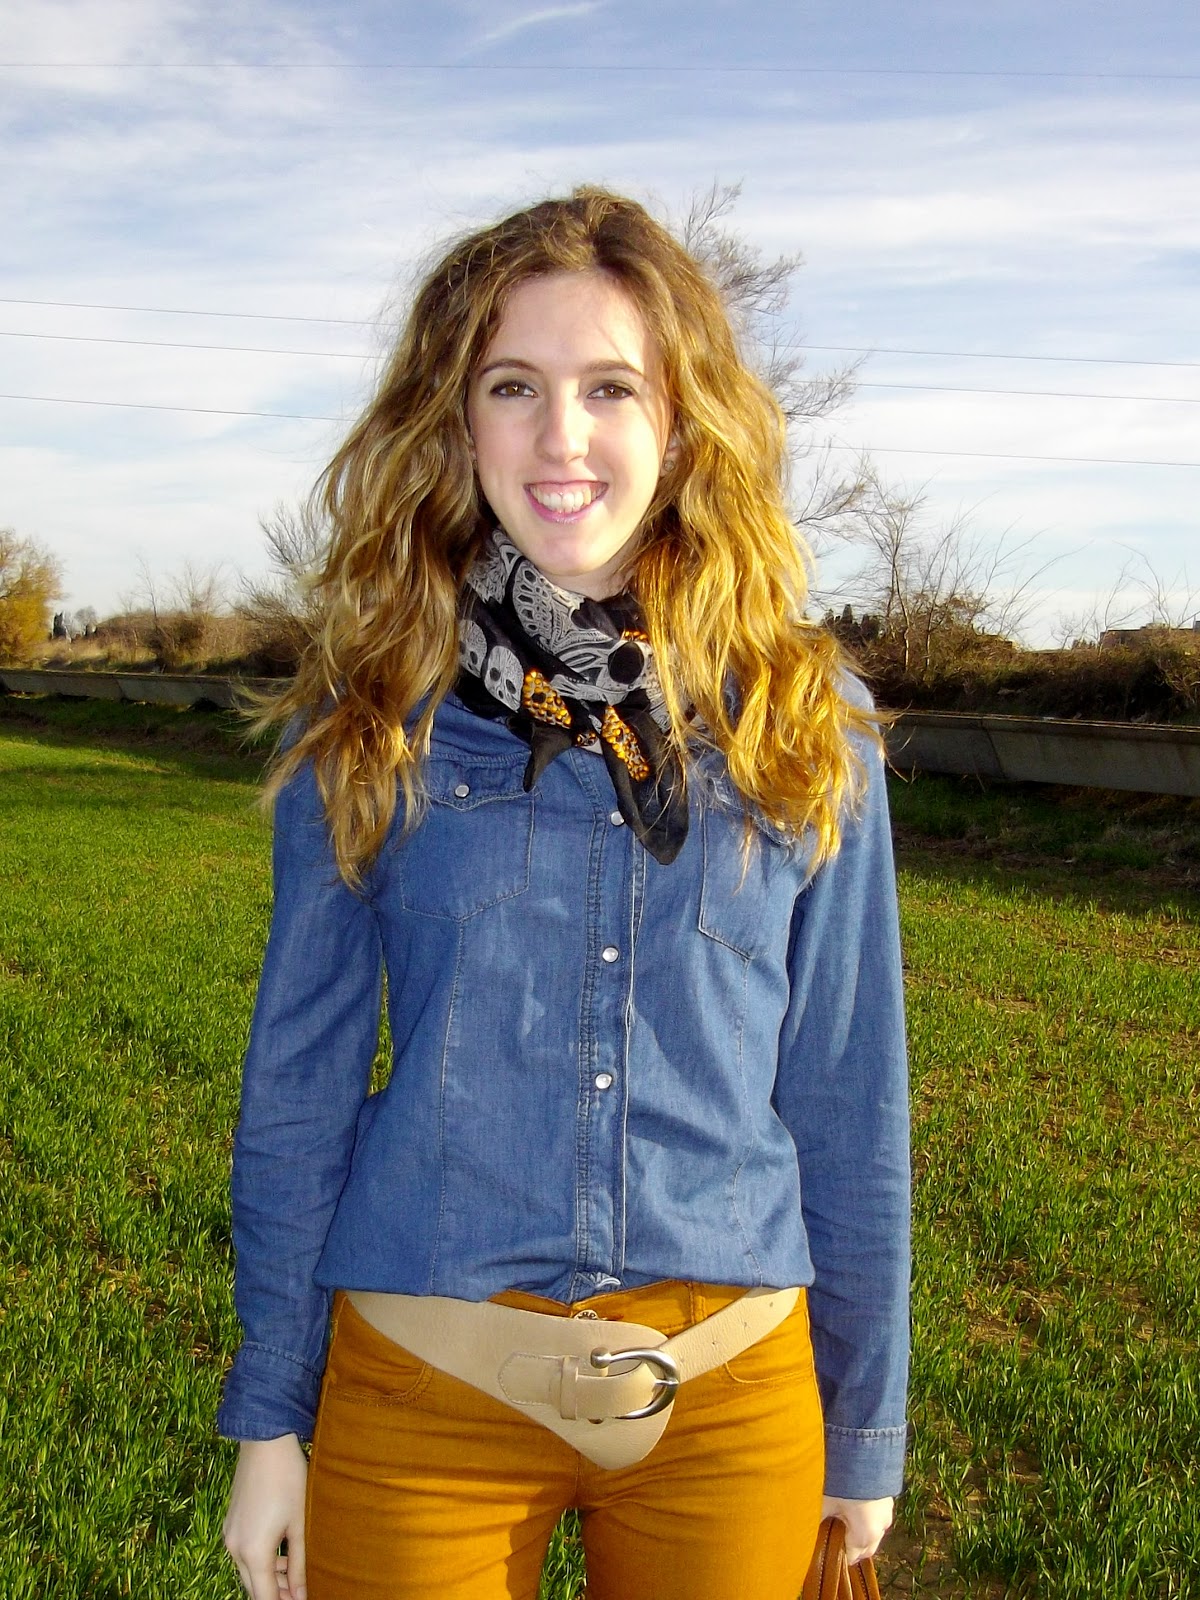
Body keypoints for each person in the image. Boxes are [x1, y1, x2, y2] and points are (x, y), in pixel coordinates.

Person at [218, 186, 910, 1600]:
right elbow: (297, 1086)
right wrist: (271, 1418)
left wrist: (864, 1427)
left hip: (730, 1404)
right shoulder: (370, 721)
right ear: (456, 421)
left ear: (683, 421)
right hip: (426, 1392)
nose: (562, 437)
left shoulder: (803, 719)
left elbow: (850, 1095)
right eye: (514, 387)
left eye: (610, 388)